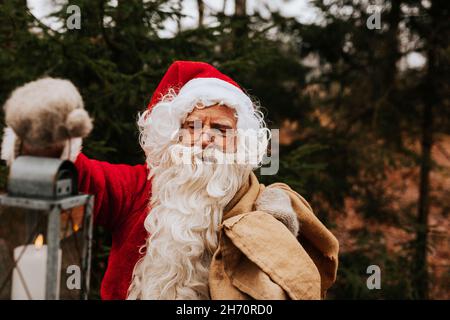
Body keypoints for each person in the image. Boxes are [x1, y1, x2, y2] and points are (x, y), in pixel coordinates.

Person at [1, 61, 339, 300]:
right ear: (173, 136)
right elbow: (86, 177)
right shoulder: (139, 188)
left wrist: (275, 227)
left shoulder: (257, 204)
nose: (205, 138)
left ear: (240, 141)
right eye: (193, 126)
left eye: (220, 129)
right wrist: (47, 141)